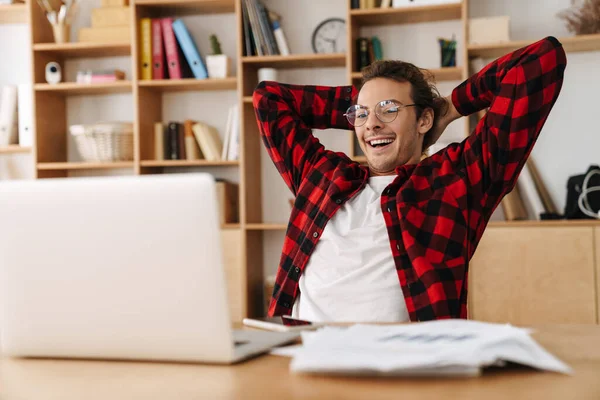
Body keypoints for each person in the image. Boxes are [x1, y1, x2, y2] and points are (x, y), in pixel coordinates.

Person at [252, 36, 567, 323]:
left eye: (389, 109)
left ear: (424, 119)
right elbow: (269, 99)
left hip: (403, 363)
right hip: (302, 352)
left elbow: (540, 61)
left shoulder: (456, 179)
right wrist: (368, 102)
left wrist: (452, 106)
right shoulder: (321, 175)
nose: (371, 125)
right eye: (361, 115)